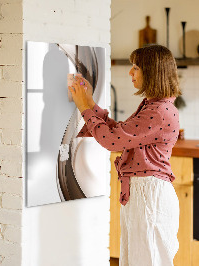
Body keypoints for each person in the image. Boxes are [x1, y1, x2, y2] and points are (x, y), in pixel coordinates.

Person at [68, 44, 181, 266]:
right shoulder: (154, 106)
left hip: (149, 195)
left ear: (152, 71)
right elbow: (120, 133)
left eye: (136, 67)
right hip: (143, 193)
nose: (130, 72)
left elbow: (112, 141)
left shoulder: (159, 111)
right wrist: (90, 103)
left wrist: (84, 108)